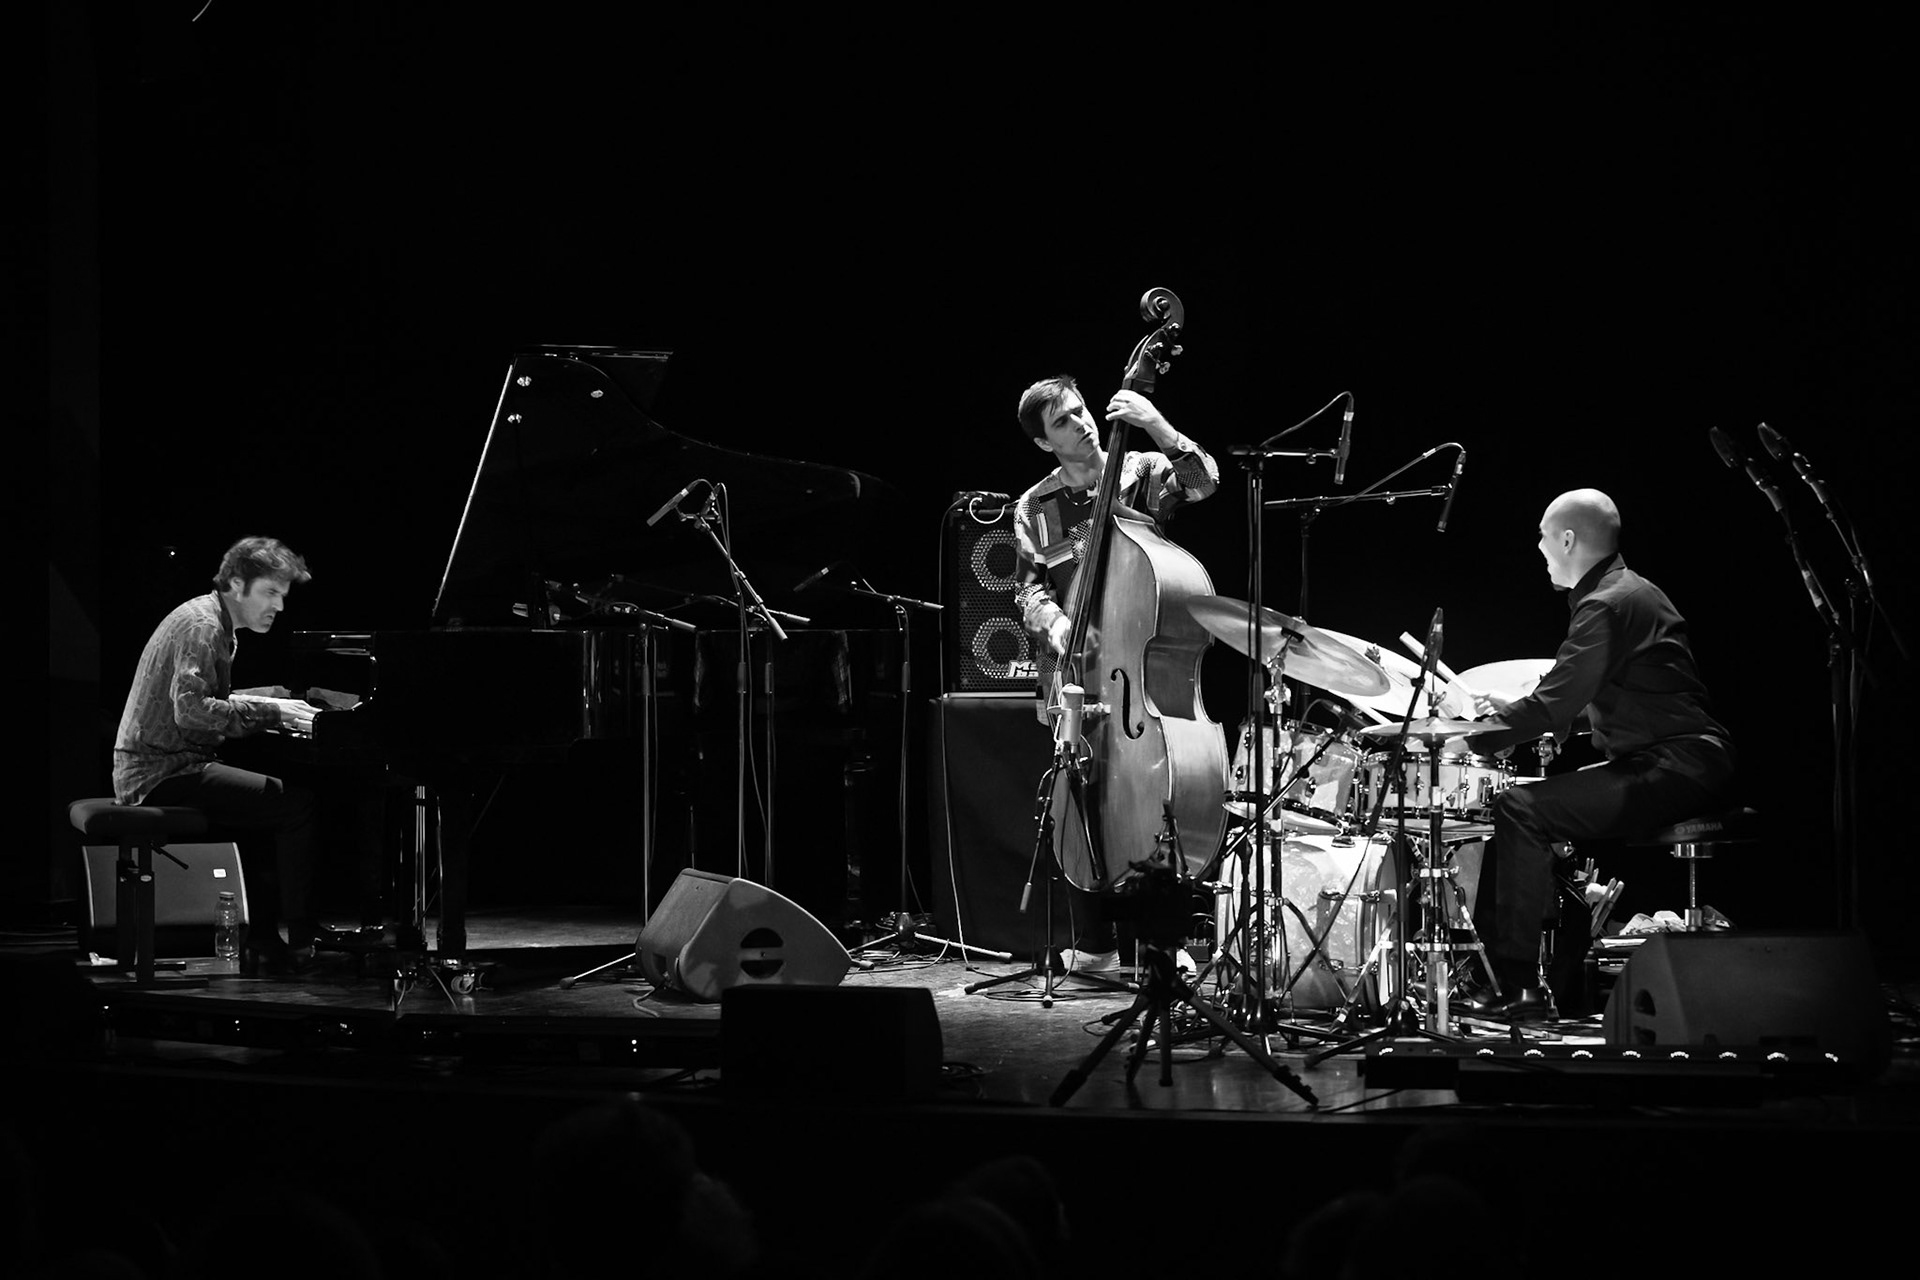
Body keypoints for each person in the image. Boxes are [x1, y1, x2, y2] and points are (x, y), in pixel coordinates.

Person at [1459, 489, 1735, 1019]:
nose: (1539, 548)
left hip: (1679, 765)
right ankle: (1534, 973)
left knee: (1520, 808)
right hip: (1679, 757)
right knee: (1525, 804)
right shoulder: (1627, 592)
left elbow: (1553, 700)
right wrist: (1564, 720)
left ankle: (1521, 989)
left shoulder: (1607, 604)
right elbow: (1629, 695)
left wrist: (1464, 736)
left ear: (1567, 539)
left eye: (1542, 536)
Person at [1010, 375, 1219, 974]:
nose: (1081, 423)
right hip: (1076, 672)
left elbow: (1203, 484)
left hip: (1139, 670)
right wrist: (1056, 626)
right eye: (1064, 422)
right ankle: (1097, 943)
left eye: (1081, 411)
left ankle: (1159, 938)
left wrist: (1158, 424)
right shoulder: (1034, 506)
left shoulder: (1140, 471)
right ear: (1044, 443)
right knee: (1079, 790)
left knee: (1159, 795)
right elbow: (1029, 590)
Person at [113, 535, 325, 973]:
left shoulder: (208, 618)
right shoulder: (204, 627)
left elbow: (206, 699)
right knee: (295, 805)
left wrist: (276, 702)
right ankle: (304, 935)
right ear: (235, 583)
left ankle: (264, 939)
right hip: (160, 773)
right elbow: (191, 712)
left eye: (282, 596)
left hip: (167, 764)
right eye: (270, 593)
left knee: (266, 807)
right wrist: (271, 711)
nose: (278, 607)